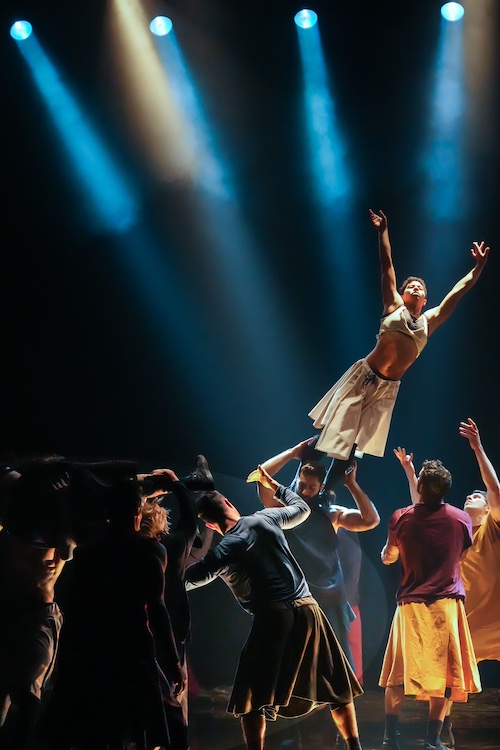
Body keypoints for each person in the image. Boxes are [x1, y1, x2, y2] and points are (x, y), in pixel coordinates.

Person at [185, 462, 363, 750]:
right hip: (308, 609)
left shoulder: (224, 549)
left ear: (209, 524)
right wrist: (273, 484)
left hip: (274, 618)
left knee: (251, 696)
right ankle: (356, 747)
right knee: (335, 685)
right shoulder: (263, 519)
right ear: (229, 503)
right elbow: (301, 509)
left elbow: (189, 579)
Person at [308, 209, 490, 486]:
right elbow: (387, 264)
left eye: (419, 287)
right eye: (410, 286)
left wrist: (477, 268)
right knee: (331, 434)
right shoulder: (393, 306)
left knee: (353, 446)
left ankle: (322, 496)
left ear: (426, 299)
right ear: (403, 294)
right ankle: (300, 475)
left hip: (387, 388)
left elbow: (458, 292)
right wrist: (383, 232)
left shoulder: (430, 321)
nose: (415, 288)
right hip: (364, 376)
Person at [41, 473, 187, 750]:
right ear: (137, 511)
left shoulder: (88, 554)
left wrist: (66, 661)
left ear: (108, 514)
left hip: (91, 650)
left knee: (98, 729)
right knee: (142, 727)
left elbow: (76, 609)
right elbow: (157, 608)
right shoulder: (151, 551)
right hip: (132, 648)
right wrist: (173, 660)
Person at [394, 418, 500, 747]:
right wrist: (412, 474)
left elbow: (493, 489)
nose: (472, 496)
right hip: (462, 615)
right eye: (469, 494)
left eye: (477, 497)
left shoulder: (493, 527)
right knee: (450, 675)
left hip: (494, 619)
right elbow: (422, 505)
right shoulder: (455, 523)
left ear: (487, 507)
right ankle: (442, 728)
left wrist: (478, 447)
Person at [379, 458, 480, 750]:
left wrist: (389, 554)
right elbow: (460, 557)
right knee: (446, 673)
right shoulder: (461, 519)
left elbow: (390, 555)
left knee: (396, 674)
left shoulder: (401, 517)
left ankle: (389, 739)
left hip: (410, 605)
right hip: (445, 605)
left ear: (420, 487)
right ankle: (432, 740)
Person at [258, 438, 379, 671]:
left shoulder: (332, 514)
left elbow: (371, 520)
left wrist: (351, 485)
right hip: (294, 595)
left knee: (331, 664)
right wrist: (292, 453)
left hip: (327, 598)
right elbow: (261, 475)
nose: (304, 491)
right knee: (293, 661)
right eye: (301, 485)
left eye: (311, 487)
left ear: (322, 487)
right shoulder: (285, 510)